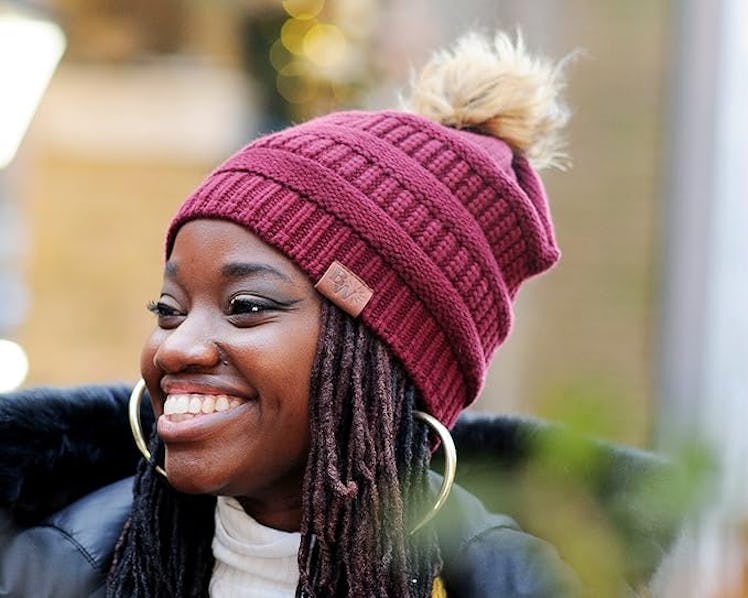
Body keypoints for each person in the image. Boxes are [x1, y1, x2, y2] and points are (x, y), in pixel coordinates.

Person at [0, 31, 679, 597]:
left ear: (389, 360)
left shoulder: (525, 584)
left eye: (245, 307)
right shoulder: (45, 567)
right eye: (170, 310)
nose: (176, 350)